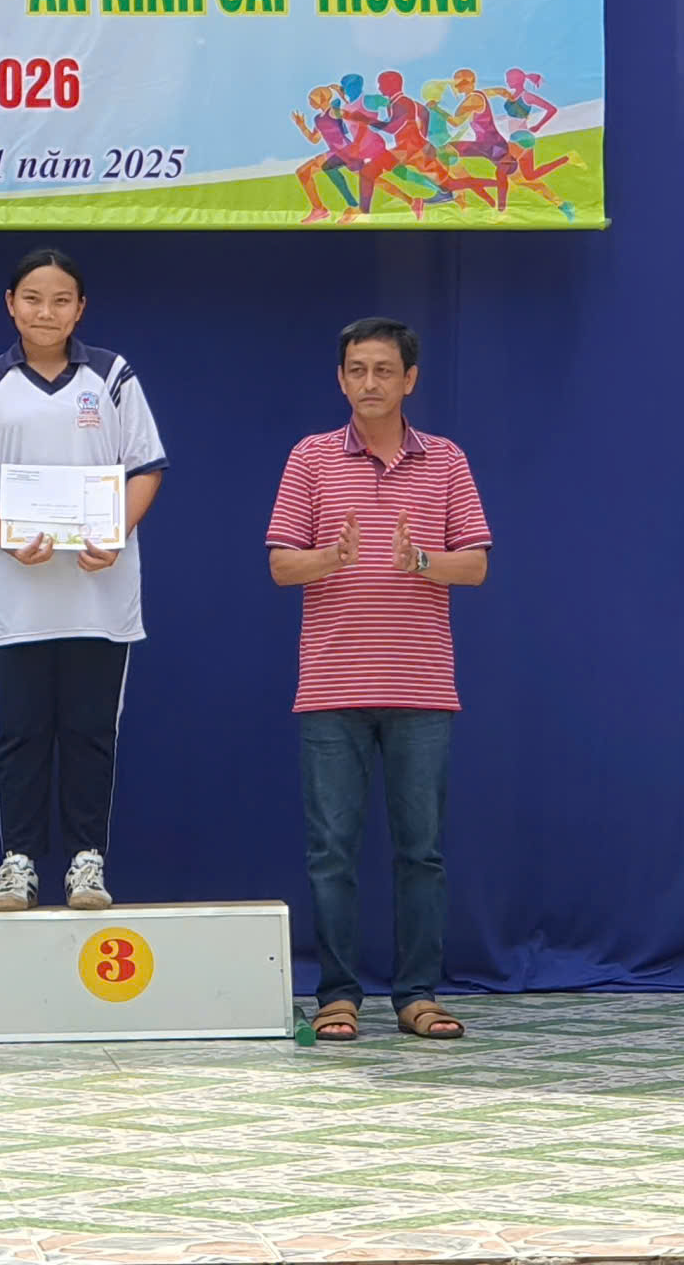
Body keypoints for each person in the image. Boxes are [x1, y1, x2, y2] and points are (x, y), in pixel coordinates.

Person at [265, 315, 490, 1043]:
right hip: (331, 688)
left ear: (409, 379)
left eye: (384, 370)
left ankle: (418, 995)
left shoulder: (446, 460)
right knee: (331, 851)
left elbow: (475, 565)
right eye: (357, 370)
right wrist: (332, 557)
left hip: (422, 688)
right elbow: (281, 564)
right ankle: (337, 995)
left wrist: (419, 561)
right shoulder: (310, 458)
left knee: (421, 851)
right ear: (341, 379)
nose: (370, 383)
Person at [0, 248, 166, 912]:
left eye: (61, 300)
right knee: (22, 732)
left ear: (80, 308)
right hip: (18, 593)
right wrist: (8, 535)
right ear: (11, 305)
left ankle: (87, 862)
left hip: (100, 593)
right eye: (33, 298)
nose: (46, 312)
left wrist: (115, 531)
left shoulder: (112, 376)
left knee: (92, 731)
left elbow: (145, 466)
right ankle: (18, 862)